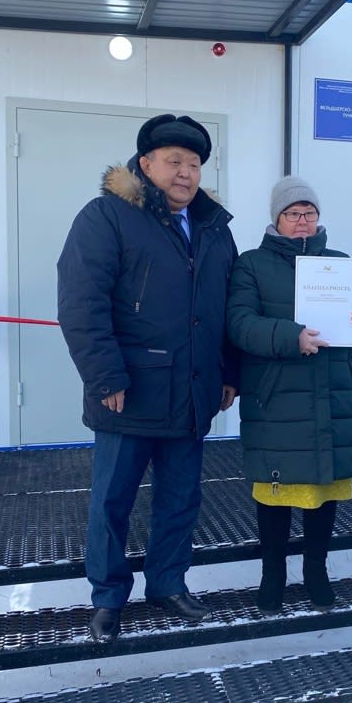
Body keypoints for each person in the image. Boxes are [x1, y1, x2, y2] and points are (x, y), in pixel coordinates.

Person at [57, 114, 238, 642]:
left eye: (194, 164)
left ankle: (167, 583)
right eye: (174, 161)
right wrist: (104, 377)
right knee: (112, 502)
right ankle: (108, 597)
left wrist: (228, 373)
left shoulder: (212, 229)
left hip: (193, 392)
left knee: (180, 499)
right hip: (128, 392)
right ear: (145, 164)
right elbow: (81, 303)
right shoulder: (107, 217)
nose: (185, 173)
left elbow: (227, 308)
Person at [226, 176, 352, 613]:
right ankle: (272, 575)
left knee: (324, 489)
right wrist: (290, 337)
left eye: (309, 213)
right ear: (276, 219)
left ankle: (316, 571)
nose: (302, 221)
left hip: (332, 393)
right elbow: (239, 324)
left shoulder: (339, 264)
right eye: (292, 214)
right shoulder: (251, 265)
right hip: (278, 397)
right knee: (276, 492)